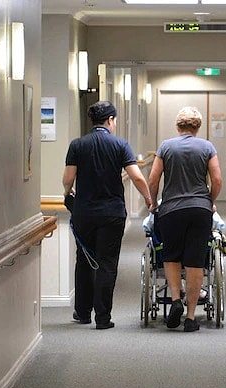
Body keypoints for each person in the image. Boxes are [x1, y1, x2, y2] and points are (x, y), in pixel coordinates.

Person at [63, 101, 154, 329]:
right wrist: (148, 198)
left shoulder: (77, 145)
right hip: (112, 213)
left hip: (84, 213)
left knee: (83, 260)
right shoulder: (120, 145)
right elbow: (136, 177)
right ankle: (102, 317)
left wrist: (67, 193)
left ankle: (82, 312)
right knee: (107, 263)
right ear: (110, 120)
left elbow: (68, 178)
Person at [147, 107, 223, 332]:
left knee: (171, 256)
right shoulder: (207, 147)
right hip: (200, 210)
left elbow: (153, 180)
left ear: (177, 126)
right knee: (195, 261)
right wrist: (209, 200)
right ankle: (190, 317)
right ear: (197, 127)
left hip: (171, 210)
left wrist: (153, 203)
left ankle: (175, 300)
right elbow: (217, 179)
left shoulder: (166, 146)